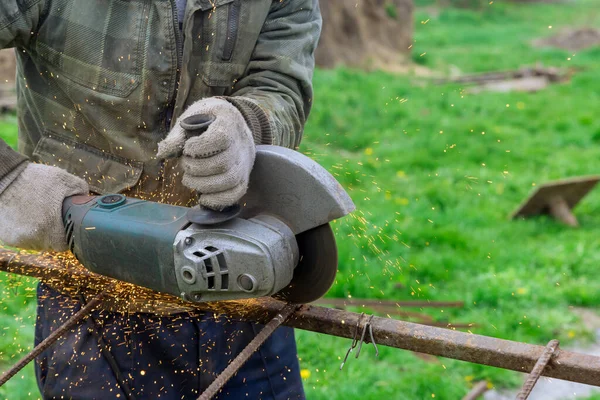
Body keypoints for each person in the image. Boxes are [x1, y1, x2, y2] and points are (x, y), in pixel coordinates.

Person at [0, 1, 322, 398]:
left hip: (242, 281)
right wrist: (7, 176)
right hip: (92, 297)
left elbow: (280, 87)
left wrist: (245, 123)